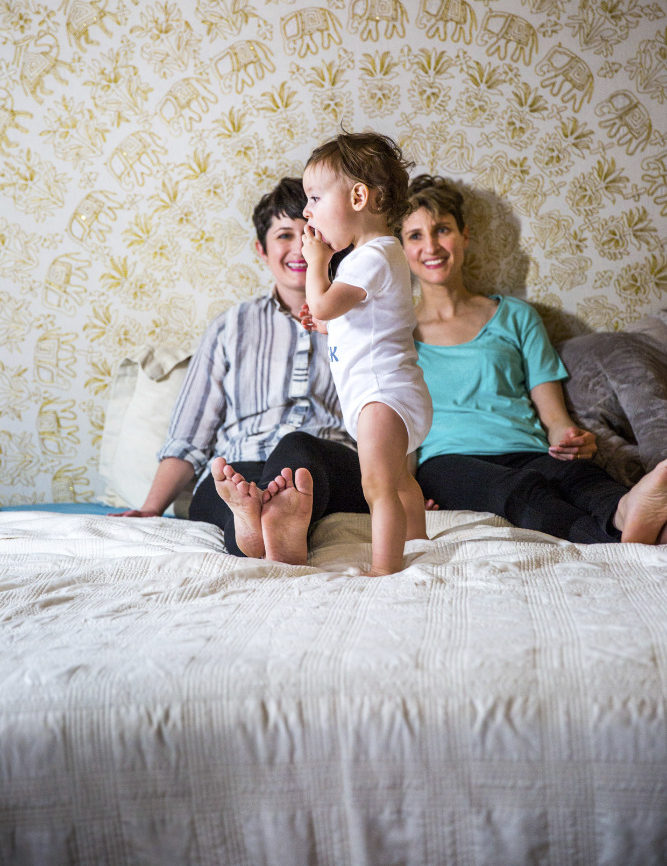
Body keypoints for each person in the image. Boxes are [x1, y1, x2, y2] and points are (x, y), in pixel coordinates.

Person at [399, 173, 667, 546]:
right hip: (447, 461)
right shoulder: (398, 334)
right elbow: (398, 431)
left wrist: (570, 439)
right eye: (415, 236)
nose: (431, 246)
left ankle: (630, 511)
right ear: (401, 249)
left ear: (464, 235)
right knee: (521, 492)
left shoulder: (517, 316)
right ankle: (612, 545)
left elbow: (554, 418)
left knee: (580, 477)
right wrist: (405, 490)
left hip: (528, 449)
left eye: (442, 229)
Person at [117, 177, 368, 563]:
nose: (299, 247)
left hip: (327, 463)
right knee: (223, 482)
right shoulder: (230, 328)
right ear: (261, 250)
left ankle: (270, 521)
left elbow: (387, 407)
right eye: (284, 235)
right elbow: (188, 438)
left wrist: (402, 488)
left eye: (310, 233)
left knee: (297, 446)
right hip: (242, 463)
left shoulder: (361, 319)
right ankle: (259, 531)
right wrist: (151, 509)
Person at [300, 131, 433, 575]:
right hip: (385, 392)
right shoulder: (375, 256)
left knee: (377, 486)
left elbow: (324, 303)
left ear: (358, 197)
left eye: (315, 198)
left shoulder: (371, 257)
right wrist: (323, 323)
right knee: (397, 478)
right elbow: (346, 319)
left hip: (382, 394)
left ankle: (384, 567)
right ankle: (419, 542)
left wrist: (316, 263)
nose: (307, 211)